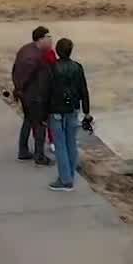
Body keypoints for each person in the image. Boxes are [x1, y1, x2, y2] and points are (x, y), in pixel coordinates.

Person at [43, 37, 91, 191]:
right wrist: (87, 111)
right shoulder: (77, 67)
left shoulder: (52, 68)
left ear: (57, 51)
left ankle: (65, 180)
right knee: (71, 144)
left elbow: (47, 92)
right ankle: (69, 176)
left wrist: (43, 114)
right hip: (73, 110)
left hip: (56, 110)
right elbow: (84, 90)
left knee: (60, 145)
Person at [10, 26, 54, 165]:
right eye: (48, 37)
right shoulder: (34, 57)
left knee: (28, 120)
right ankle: (39, 156)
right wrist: (20, 89)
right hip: (34, 97)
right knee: (40, 124)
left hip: (26, 95)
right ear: (41, 39)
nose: (51, 40)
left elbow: (15, 70)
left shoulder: (26, 49)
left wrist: (18, 90)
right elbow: (25, 76)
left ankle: (23, 151)